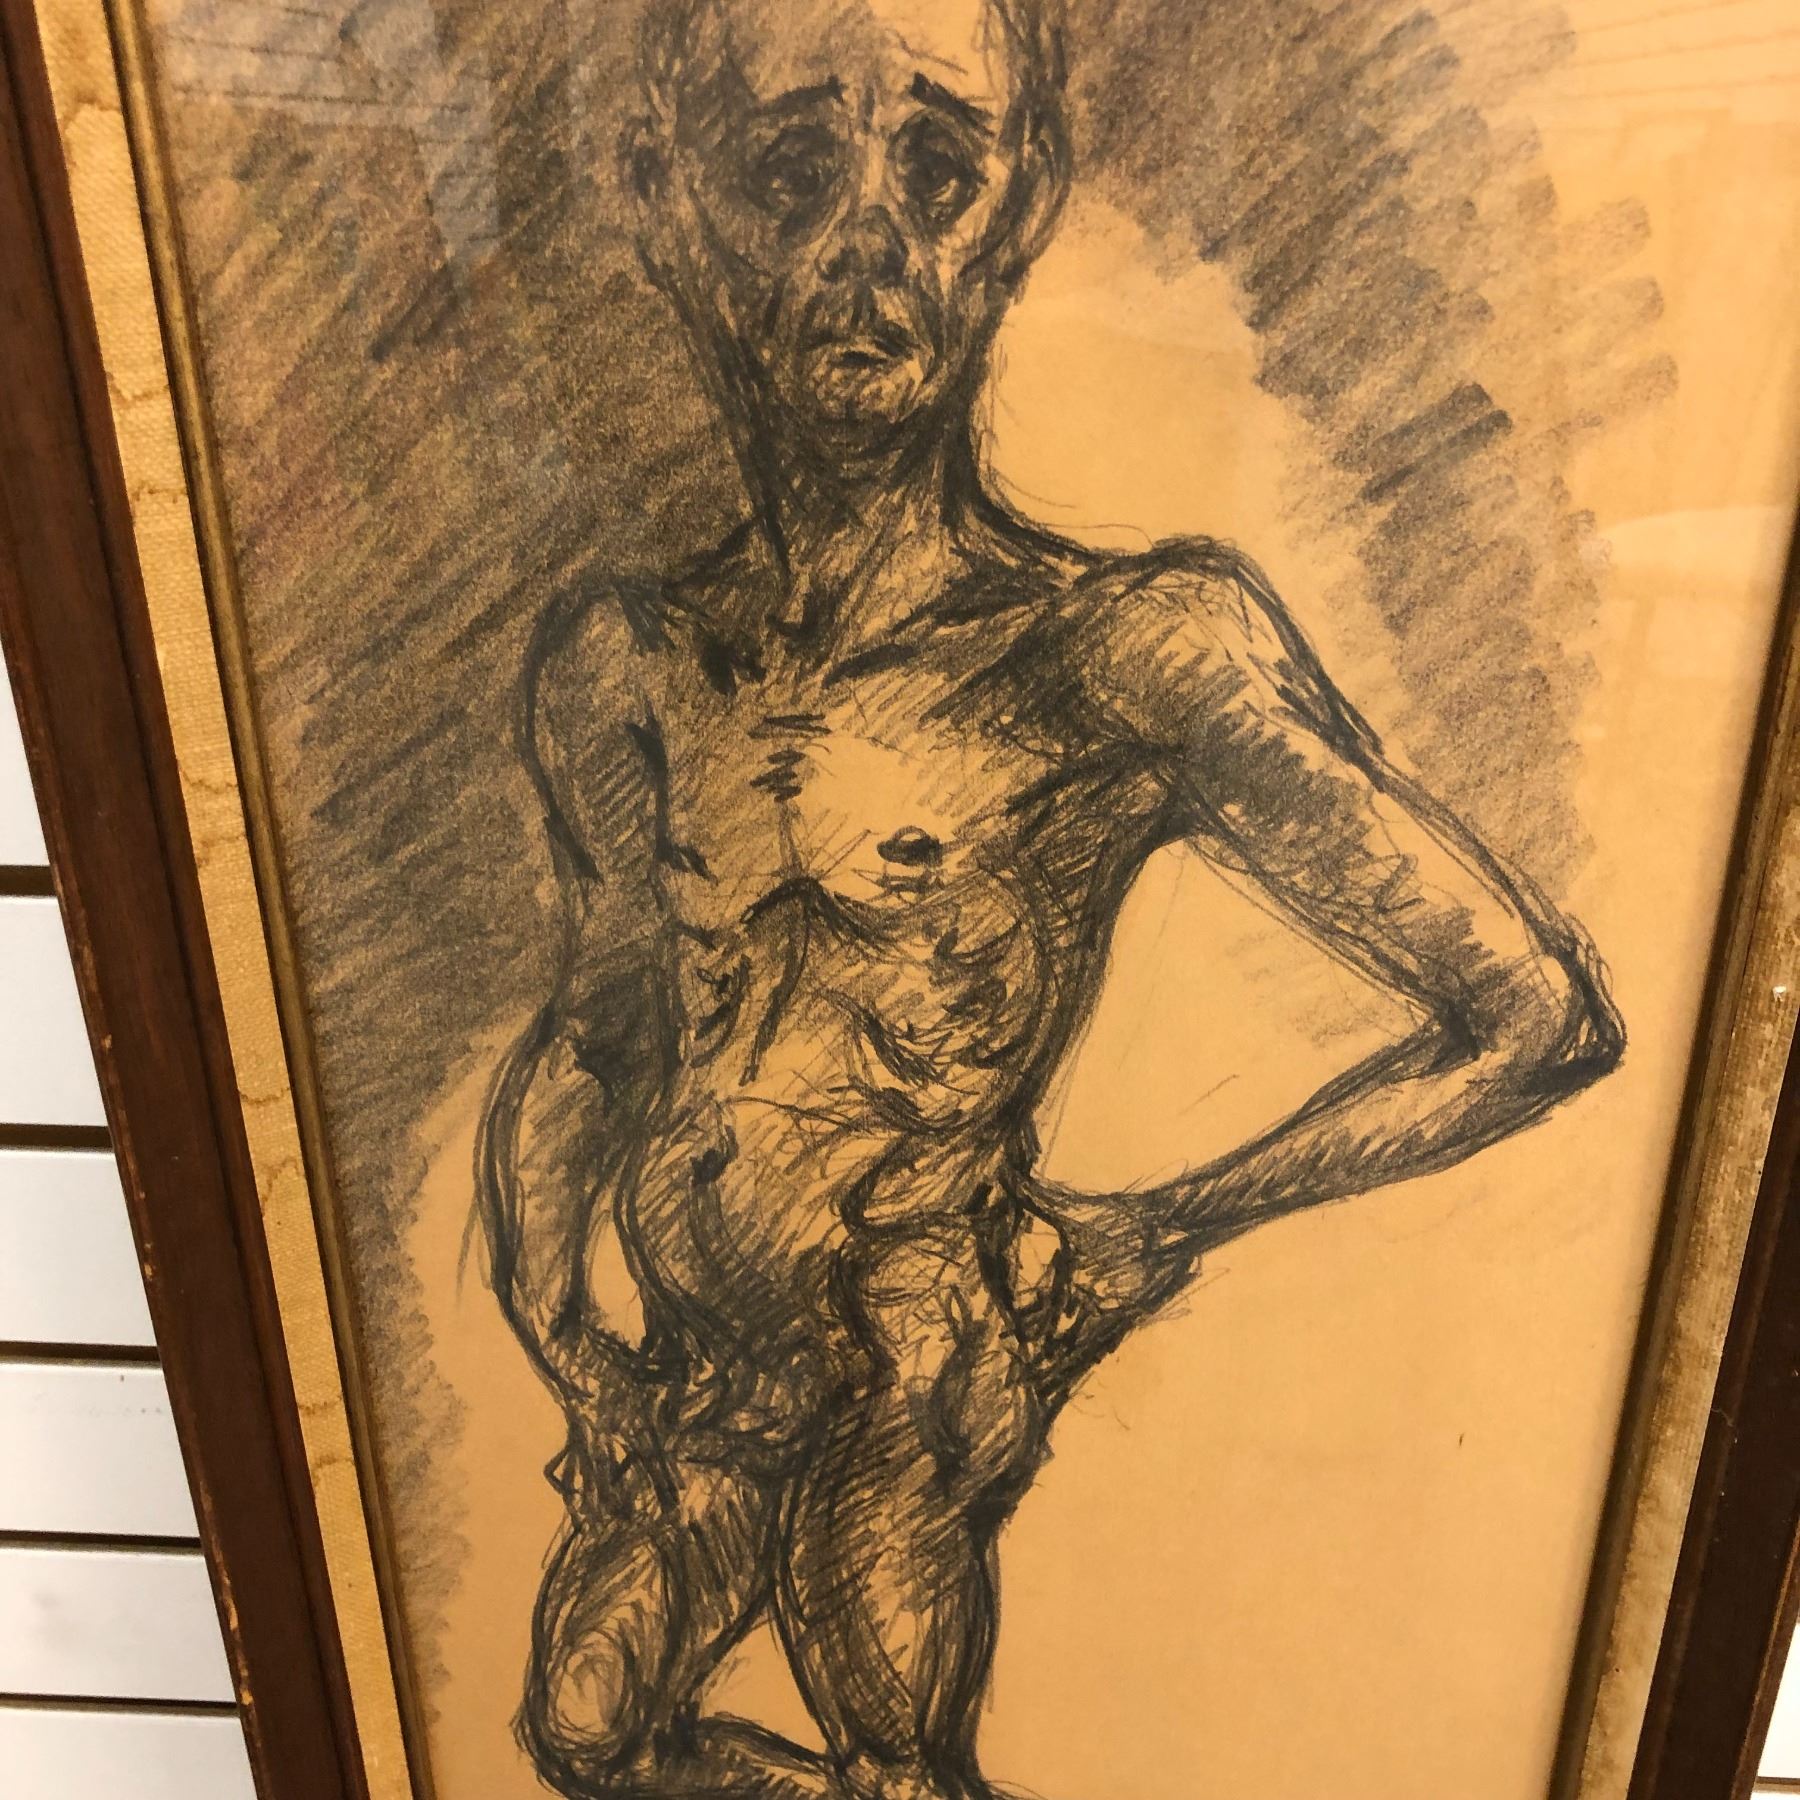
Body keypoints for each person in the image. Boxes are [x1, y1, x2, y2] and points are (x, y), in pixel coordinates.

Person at [475, 1, 1624, 1794]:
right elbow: (602, 1031)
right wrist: (557, 1323)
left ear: (1020, 206)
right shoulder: (621, 662)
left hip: (903, 1353)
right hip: (698, 1362)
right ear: (671, 202)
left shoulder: (1121, 648)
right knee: (585, 1735)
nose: (869, 247)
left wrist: (1154, 1226)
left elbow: (1534, 1017)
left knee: (896, 1765)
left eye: (937, 174)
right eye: (793, 170)